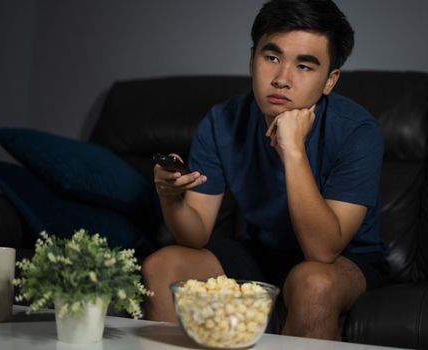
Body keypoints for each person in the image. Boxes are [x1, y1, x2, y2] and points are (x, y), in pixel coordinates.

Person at [142, 0, 389, 341]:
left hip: (346, 260)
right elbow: (194, 235)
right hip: (260, 252)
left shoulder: (358, 131)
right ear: (252, 58)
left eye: (304, 66)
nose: (282, 80)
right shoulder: (222, 121)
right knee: (162, 266)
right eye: (271, 58)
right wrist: (170, 197)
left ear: (330, 81)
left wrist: (293, 150)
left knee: (312, 282)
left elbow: (322, 251)